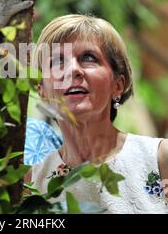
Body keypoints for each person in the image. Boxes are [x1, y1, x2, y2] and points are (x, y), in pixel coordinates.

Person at [28, 14, 168, 214]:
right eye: (58, 60)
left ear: (118, 85)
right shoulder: (30, 183)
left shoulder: (160, 159)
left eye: (88, 58)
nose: (73, 70)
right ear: (42, 91)